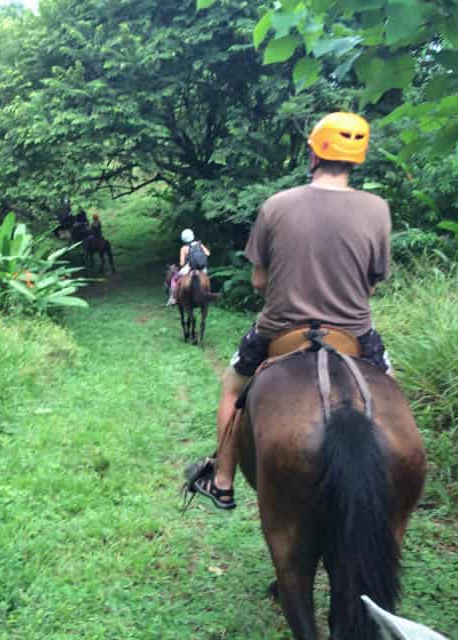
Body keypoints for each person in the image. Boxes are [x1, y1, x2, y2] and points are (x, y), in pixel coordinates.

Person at [193, 112, 393, 510]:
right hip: (354, 334)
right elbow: (373, 283)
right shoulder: (378, 209)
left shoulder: (276, 204)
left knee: (232, 389)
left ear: (315, 154)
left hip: (279, 330)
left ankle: (223, 480)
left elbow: (259, 282)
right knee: (390, 391)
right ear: (357, 158)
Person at [167, 228, 210, 305]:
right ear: (192, 236)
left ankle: (173, 297)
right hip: (202, 267)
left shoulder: (183, 248)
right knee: (206, 278)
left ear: (183, 239)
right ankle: (208, 294)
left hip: (190, 267)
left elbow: (182, 263)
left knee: (174, 279)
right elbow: (207, 253)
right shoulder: (199, 244)